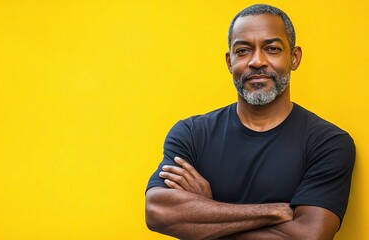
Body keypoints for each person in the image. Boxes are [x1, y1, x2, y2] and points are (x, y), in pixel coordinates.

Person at [145, 4, 355, 240]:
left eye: (272, 48)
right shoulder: (193, 133)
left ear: (294, 58)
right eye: (243, 51)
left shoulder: (328, 143)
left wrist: (205, 210)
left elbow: (308, 236)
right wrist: (273, 212)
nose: (257, 61)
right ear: (229, 61)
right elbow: (157, 211)